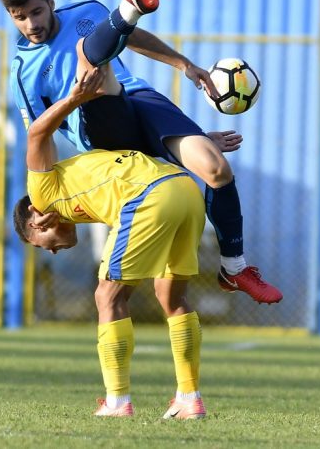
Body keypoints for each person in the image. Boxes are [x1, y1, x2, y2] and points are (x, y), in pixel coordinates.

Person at [0, 0, 282, 304]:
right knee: (91, 64)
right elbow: (39, 134)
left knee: (215, 168)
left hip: (138, 99)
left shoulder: (86, 11)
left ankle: (234, 268)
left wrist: (184, 64)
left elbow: (129, 39)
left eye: (36, 12)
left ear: (51, 4)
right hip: (99, 131)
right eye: (20, 18)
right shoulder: (23, 72)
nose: (30, 24)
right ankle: (129, 8)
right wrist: (47, 194)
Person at [12, 54, 207, 419]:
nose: (51, 252)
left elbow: (37, 132)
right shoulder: (79, 194)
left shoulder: (41, 194)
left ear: (36, 222)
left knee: (107, 295)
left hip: (151, 196)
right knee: (172, 296)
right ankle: (188, 399)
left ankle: (117, 402)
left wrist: (74, 99)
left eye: (43, 247)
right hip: (185, 189)